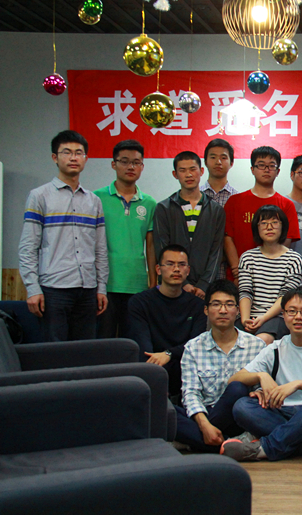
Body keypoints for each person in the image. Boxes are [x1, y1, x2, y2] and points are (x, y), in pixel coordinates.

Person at [221, 286, 302, 461]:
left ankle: (267, 447)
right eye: (292, 311)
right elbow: (234, 379)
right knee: (242, 406)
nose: (298, 317)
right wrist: (261, 376)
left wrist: (298, 384)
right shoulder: (275, 348)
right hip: (281, 411)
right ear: (284, 314)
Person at [19, 130, 108, 341]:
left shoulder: (93, 201)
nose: (73, 157)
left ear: (85, 158)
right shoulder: (39, 196)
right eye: (67, 152)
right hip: (53, 288)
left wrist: (101, 287)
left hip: (88, 288)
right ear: (55, 157)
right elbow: (28, 246)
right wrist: (32, 288)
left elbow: (100, 249)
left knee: (84, 351)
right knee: (54, 351)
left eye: (79, 153)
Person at [174, 279, 263, 452]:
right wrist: (205, 425)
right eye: (216, 304)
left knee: (237, 388)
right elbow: (190, 393)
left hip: (238, 418)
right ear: (206, 310)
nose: (223, 310)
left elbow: (260, 391)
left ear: (238, 310)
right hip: (204, 415)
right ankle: (226, 444)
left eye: (229, 304)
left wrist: (257, 393)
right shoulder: (193, 348)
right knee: (161, 409)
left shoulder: (256, 346)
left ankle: (196, 441)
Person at [95, 139, 156, 339]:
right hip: (105, 284)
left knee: (132, 342)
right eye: (124, 161)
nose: (131, 167)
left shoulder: (149, 203)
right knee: (103, 342)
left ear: (142, 167)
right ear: (114, 164)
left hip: (137, 284)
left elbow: (151, 246)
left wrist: (153, 282)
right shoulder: (96, 198)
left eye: (136, 162)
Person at [127, 245, 207, 397]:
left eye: (181, 265)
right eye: (170, 264)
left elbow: (195, 345)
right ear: (158, 269)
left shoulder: (198, 306)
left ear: (188, 270)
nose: (176, 269)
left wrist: (169, 354)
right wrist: (160, 360)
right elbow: (144, 346)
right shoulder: (139, 302)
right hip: (152, 369)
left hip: (185, 368)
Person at [153, 151, 225, 300]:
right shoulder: (164, 208)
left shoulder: (216, 210)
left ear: (201, 171)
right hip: (172, 286)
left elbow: (216, 252)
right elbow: (161, 248)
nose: (189, 175)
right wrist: (183, 283)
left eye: (193, 169)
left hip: (205, 289)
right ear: (175, 174)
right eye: (182, 170)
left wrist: (204, 284)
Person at [223, 146, 300, 284]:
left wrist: (270, 269)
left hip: (273, 277)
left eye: (271, 166)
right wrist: (237, 271)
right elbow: (228, 237)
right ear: (252, 169)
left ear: (278, 171)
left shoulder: (286, 205)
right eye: (261, 165)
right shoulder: (234, 201)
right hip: (237, 278)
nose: (266, 169)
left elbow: (286, 240)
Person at [238, 205, 302, 344]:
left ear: (283, 226)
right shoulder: (247, 257)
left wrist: (263, 318)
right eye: (264, 223)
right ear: (256, 227)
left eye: (274, 222)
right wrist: (245, 320)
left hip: (277, 317)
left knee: (262, 340)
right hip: (249, 316)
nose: (269, 227)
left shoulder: (294, 259)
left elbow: (286, 296)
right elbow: (245, 292)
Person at [200, 139, 238, 280]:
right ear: (205, 162)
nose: (218, 162)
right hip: (199, 269)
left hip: (229, 271)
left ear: (231, 163)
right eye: (213, 157)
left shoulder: (237, 199)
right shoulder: (195, 196)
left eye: (223, 157)